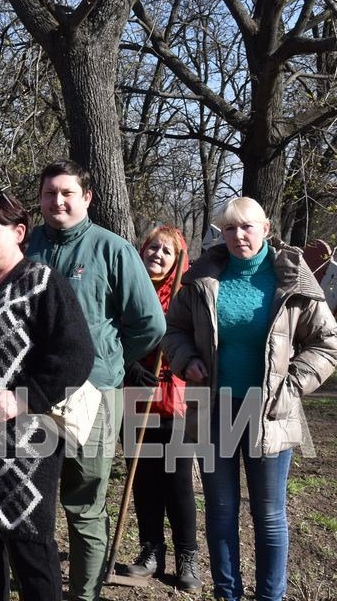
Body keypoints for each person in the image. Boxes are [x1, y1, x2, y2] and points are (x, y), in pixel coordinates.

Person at [161, 197, 337, 601]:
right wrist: (186, 359)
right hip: (215, 410)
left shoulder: (292, 277)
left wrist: (291, 384)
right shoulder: (202, 276)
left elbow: (327, 343)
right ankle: (228, 594)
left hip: (271, 412)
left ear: (266, 228)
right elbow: (174, 331)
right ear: (221, 234)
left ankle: (270, 597)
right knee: (221, 512)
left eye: (247, 227)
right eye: (230, 228)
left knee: (270, 515)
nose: (239, 235)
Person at [0, 190, 93, 600]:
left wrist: (24, 397)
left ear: (18, 231)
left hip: (22, 443)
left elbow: (76, 355)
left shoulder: (41, 282)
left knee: (29, 544)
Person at [23, 160, 165, 601]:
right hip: (33, 391)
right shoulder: (27, 249)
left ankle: (84, 594)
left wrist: (109, 356)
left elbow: (149, 323)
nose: (58, 201)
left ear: (87, 198)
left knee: (84, 503)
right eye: (50, 193)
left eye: (67, 193)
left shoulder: (113, 250)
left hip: (94, 394)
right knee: (32, 497)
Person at [120, 225, 200, 590]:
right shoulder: (128, 290)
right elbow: (112, 335)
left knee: (177, 480)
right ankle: (151, 549)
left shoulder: (185, 296)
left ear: (178, 258)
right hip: (134, 393)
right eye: (153, 247)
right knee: (143, 478)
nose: (157, 255)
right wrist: (130, 367)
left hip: (175, 395)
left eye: (167, 251)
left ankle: (188, 555)